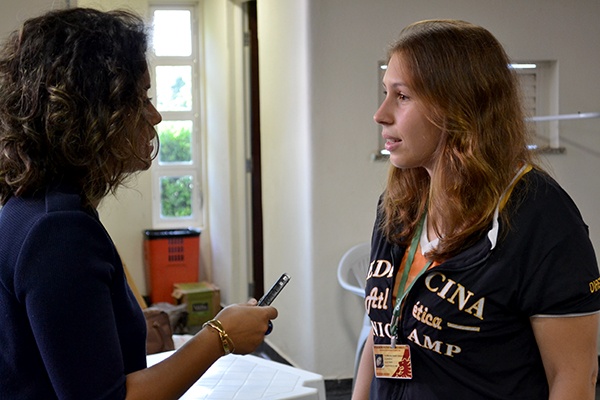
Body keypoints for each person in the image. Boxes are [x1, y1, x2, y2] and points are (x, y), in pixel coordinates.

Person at [0, 8, 277, 399]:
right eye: (141, 99)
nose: (156, 115)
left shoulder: (31, 207)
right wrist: (220, 336)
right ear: (93, 110)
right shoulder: (57, 231)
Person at [353, 19, 600, 399]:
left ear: (457, 105)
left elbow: (573, 378)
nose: (381, 113)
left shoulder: (542, 218)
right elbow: (381, 330)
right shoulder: (398, 205)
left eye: (402, 96)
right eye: (386, 92)